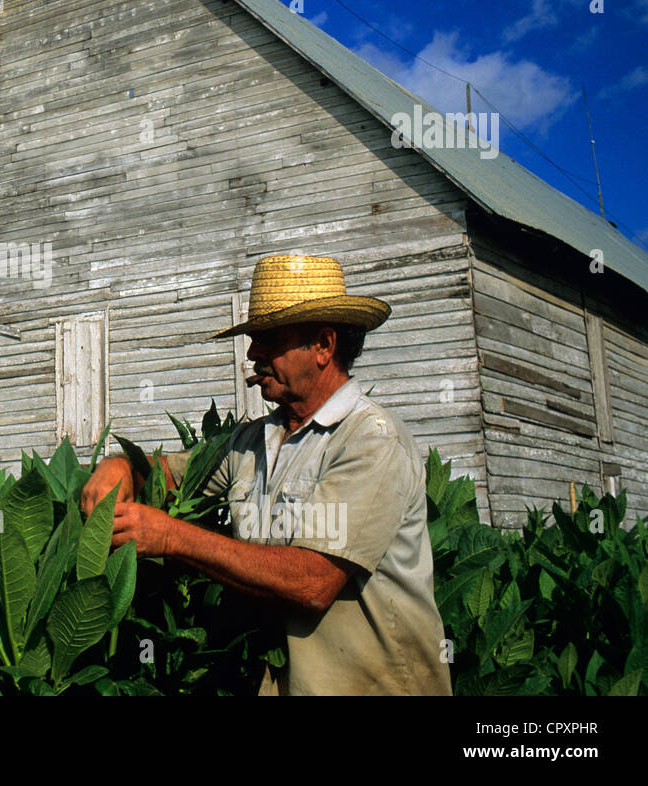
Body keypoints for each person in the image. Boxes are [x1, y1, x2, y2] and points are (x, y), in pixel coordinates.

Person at [81, 253, 453, 695]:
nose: (253, 353)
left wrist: (170, 537)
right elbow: (166, 473)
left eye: (270, 340)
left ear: (323, 346)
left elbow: (314, 582)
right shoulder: (255, 440)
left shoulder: (370, 439)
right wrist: (119, 465)